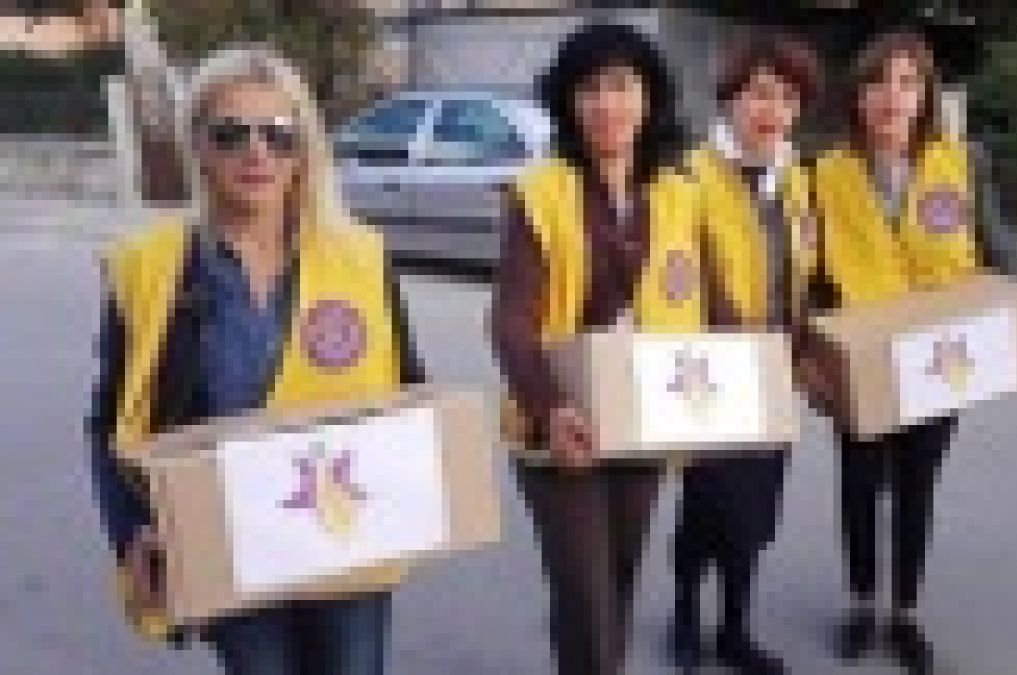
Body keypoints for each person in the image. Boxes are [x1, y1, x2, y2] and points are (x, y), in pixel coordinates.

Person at [86, 47, 424, 675]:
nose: (257, 151)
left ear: (303, 150)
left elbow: (409, 391)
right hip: (227, 544)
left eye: (278, 134)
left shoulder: (361, 258)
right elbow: (110, 421)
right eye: (231, 133)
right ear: (199, 146)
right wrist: (131, 531)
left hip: (344, 533)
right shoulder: (149, 269)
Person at [807, 30, 1017, 674]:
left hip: (938, 358)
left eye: (907, 82)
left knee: (915, 486)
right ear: (857, 96)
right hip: (861, 360)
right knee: (858, 484)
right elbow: (809, 275)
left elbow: (1001, 255)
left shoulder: (963, 161)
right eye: (877, 82)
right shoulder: (824, 173)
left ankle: (906, 613)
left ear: (926, 94)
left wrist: (1007, 316)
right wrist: (812, 351)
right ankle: (861, 604)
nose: (891, 96)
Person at [489, 23, 700, 675]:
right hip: (558, 425)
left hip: (644, 419)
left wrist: (746, 383)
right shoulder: (540, 192)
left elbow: (710, 303)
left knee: (617, 580)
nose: (605, 104)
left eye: (620, 85)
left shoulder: (679, 194)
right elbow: (510, 322)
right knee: (584, 592)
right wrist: (549, 407)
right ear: (568, 102)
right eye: (588, 89)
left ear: (648, 98)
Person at [669, 34, 823, 674]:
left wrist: (806, 348)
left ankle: (735, 629)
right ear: (731, 98)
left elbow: (805, 276)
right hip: (708, 375)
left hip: (773, 374)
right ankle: (685, 612)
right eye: (760, 94)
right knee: (707, 504)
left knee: (756, 510)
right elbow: (673, 276)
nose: (772, 110)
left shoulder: (797, 182)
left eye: (787, 98)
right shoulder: (690, 177)